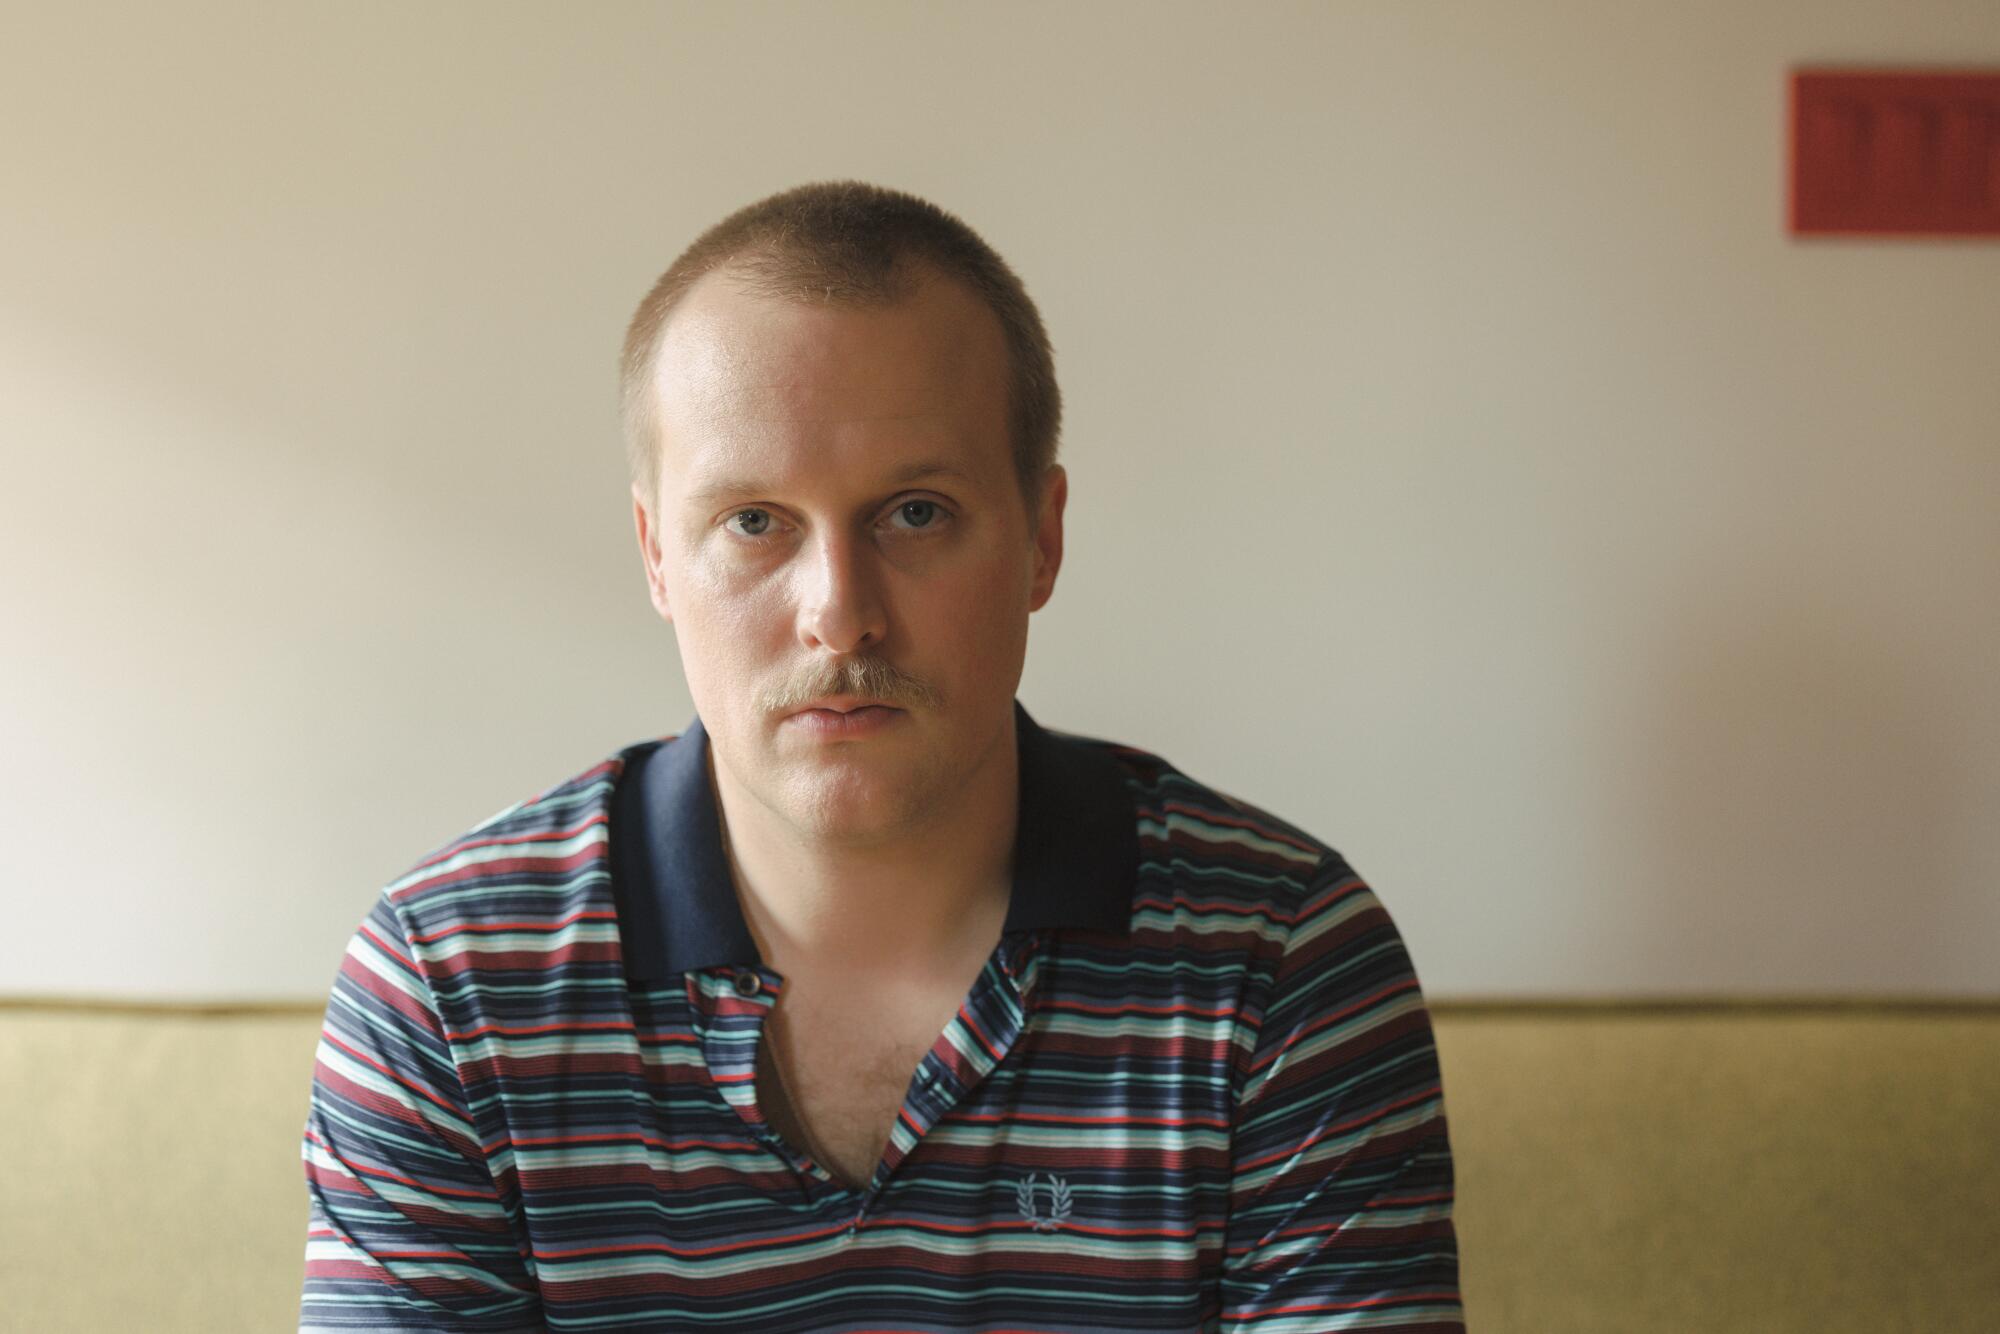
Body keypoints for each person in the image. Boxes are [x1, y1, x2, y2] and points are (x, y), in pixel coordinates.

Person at [300, 181, 1462, 1332]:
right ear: (657, 554)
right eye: (753, 521)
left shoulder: (1278, 960)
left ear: (1040, 537)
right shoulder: (447, 986)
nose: (838, 615)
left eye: (913, 512)